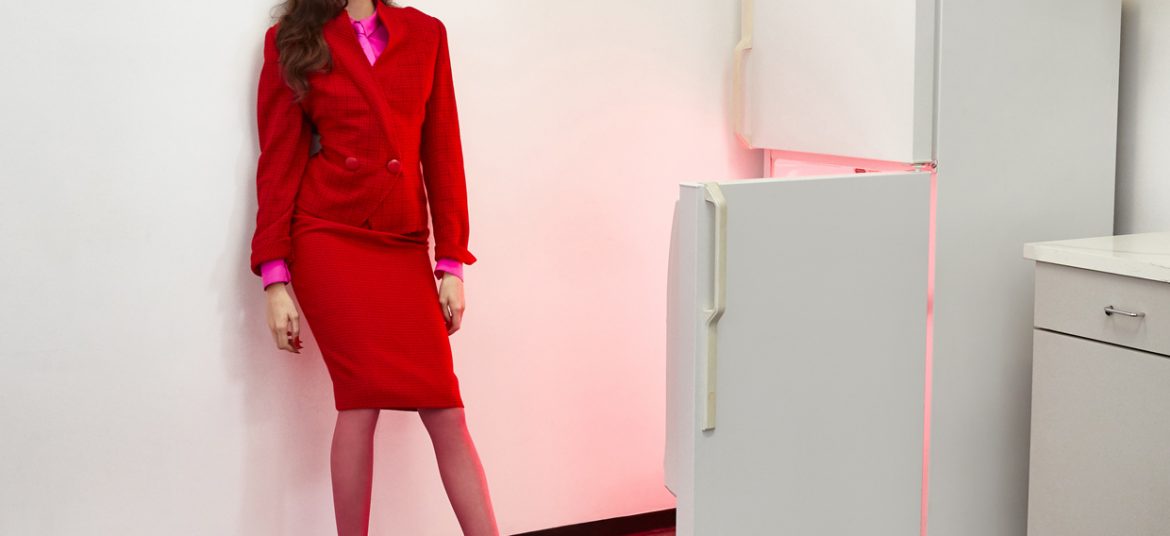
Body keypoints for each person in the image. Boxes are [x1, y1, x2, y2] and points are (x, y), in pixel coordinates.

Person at [247, 1, 499, 534]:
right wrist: (274, 276)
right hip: (327, 236)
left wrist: (451, 260)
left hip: (402, 241)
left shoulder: (425, 34)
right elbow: (278, 160)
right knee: (360, 404)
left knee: (446, 409)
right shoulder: (293, 39)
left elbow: (443, 149)